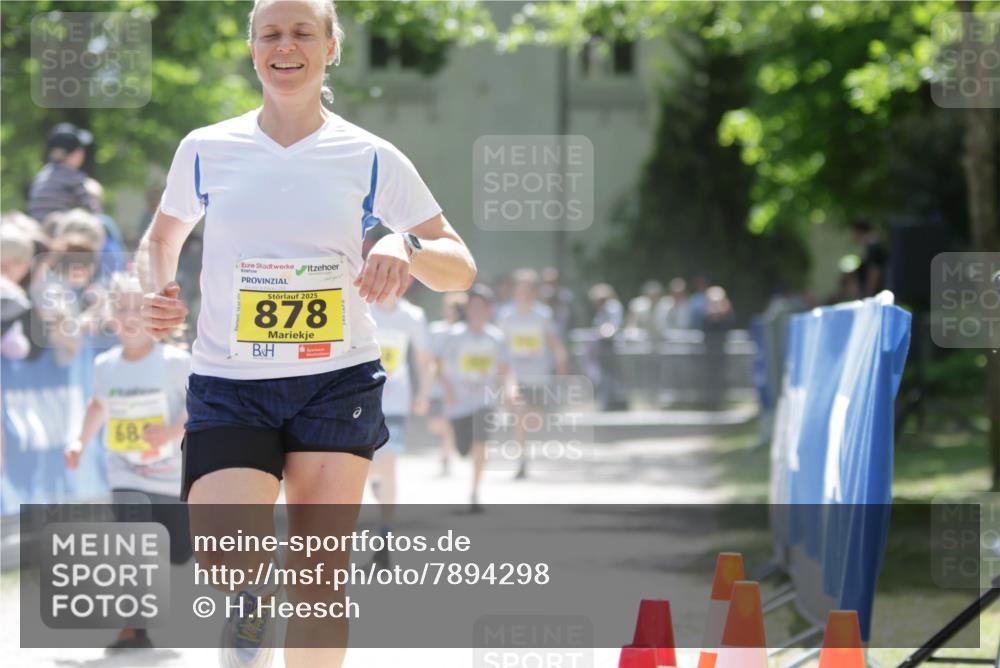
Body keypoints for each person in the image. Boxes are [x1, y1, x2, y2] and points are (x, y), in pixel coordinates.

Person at [137, 2, 476, 667]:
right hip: (231, 383)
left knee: (319, 579)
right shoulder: (206, 148)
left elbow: (459, 267)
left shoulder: (372, 156)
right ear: (252, 48)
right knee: (229, 558)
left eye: (302, 33)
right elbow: (163, 235)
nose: (285, 46)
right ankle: (253, 598)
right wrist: (159, 290)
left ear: (330, 48)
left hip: (336, 382)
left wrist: (404, 244)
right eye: (271, 34)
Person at [64, 272, 192, 651]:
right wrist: (79, 442)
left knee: (180, 552)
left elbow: (197, 408)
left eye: (140, 307)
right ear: (109, 316)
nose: (130, 314)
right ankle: (134, 628)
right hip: (126, 473)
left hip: (171, 478)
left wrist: (170, 433)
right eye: (121, 306)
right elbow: (98, 405)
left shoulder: (175, 362)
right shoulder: (105, 365)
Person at [368, 278, 433, 568]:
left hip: (395, 403)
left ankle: (385, 534)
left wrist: (424, 392)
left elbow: (425, 360)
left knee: (389, 464)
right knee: (370, 469)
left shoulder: (412, 317)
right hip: (362, 401)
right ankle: (377, 485)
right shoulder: (363, 309)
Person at [437, 285, 513, 510]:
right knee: (463, 450)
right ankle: (462, 457)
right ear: (468, 309)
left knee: (482, 444)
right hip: (459, 403)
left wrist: (508, 391)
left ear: (489, 310)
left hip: (484, 401)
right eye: (474, 306)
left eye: (482, 307)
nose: (478, 311)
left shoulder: (496, 338)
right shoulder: (455, 335)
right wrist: (449, 391)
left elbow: (504, 370)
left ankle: (475, 492)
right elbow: (438, 367)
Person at [496, 269, 568, 479]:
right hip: (515, 375)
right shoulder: (506, 315)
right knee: (520, 412)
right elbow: (499, 345)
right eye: (520, 289)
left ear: (534, 292)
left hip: (539, 375)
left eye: (528, 289)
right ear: (515, 291)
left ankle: (528, 448)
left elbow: (555, 343)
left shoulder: (543, 315)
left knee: (535, 418)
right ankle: (522, 460)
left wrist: (562, 365)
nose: (524, 293)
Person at [27, 123, 101, 222]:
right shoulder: (72, 176)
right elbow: (93, 211)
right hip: (60, 231)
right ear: (76, 153)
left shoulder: (41, 176)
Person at [427, 291, 467, 476]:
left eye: (454, 309)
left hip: (459, 385)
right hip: (438, 384)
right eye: (448, 307)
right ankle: (446, 450)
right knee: (437, 424)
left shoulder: (464, 331)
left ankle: (446, 455)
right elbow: (431, 358)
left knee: (450, 421)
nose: (450, 311)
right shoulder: (436, 329)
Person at [851, 217, 888, 297]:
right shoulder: (874, 246)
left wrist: (869, 293)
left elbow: (874, 271)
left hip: (876, 293)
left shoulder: (874, 247)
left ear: (859, 231)